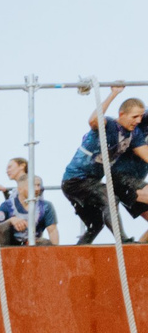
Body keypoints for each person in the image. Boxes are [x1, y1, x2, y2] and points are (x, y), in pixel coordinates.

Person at [61, 84, 147, 245]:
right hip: (75, 181)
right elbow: (93, 120)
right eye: (135, 117)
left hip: (91, 183)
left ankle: (78, 252)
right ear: (122, 114)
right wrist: (113, 94)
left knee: (96, 225)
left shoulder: (133, 135)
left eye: (141, 117)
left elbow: (146, 154)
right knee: (109, 198)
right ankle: (123, 241)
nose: (139, 121)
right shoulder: (108, 125)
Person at [0, 168, 60, 246]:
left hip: (35, 244)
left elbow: (52, 231)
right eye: (33, 185)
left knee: (45, 243)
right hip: (10, 246)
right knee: (3, 227)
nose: (37, 188)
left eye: (38, 185)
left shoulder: (46, 206)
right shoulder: (7, 205)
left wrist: (56, 252)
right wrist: (10, 221)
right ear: (20, 189)